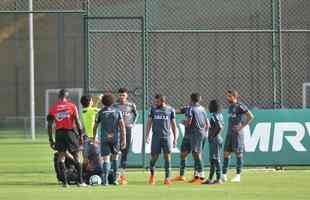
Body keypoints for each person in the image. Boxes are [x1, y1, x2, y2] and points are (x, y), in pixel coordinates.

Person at [47, 89, 87, 187]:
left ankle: (65, 183)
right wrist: (81, 135)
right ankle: (80, 181)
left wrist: (51, 139)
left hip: (59, 133)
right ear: (67, 97)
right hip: (70, 132)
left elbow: (49, 125)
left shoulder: (53, 108)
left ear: (59, 97)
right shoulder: (72, 106)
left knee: (61, 157)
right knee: (77, 155)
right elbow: (77, 121)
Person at [93, 94, 126, 186]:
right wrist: (124, 140)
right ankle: (115, 179)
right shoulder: (117, 111)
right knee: (115, 157)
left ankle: (105, 181)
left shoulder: (100, 112)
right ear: (112, 101)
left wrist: (93, 137)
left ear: (103, 102)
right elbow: (122, 126)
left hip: (104, 138)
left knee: (106, 159)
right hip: (115, 138)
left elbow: (95, 126)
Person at [221, 90, 254, 183]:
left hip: (237, 134)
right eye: (227, 96)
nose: (227, 98)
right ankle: (224, 175)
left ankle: (238, 175)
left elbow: (251, 116)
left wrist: (241, 126)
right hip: (229, 133)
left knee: (238, 153)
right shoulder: (230, 107)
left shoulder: (240, 106)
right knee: (226, 153)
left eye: (229, 96)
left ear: (234, 97)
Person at [146, 94, 177, 185]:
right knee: (154, 158)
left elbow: (173, 124)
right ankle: (152, 176)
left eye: (157, 101)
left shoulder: (170, 110)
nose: (156, 102)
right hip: (156, 137)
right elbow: (149, 122)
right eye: (155, 101)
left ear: (163, 101)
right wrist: (147, 135)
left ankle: (167, 178)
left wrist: (175, 138)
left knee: (167, 157)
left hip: (167, 137)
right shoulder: (153, 109)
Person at [114, 88, 138, 185]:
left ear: (126, 95)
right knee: (115, 152)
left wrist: (133, 124)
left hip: (127, 130)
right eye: (120, 95)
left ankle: (122, 176)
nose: (122, 97)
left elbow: (136, 115)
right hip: (117, 130)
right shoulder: (115, 106)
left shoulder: (131, 105)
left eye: (123, 95)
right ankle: (114, 175)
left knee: (125, 152)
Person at [185, 93, 209, 184]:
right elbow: (207, 122)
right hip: (202, 133)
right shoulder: (202, 108)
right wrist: (205, 132)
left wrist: (185, 123)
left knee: (196, 153)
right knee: (197, 153)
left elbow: (189, 121)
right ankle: (197, 175)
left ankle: (201, 175)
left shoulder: (191, 108)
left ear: (191, 99)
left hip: (195, 133)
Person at [203, 100, 224, 184]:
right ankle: (210, 179)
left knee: (216, 158)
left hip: (215, 139)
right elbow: (222, 126)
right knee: (212, 159)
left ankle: (219, 178)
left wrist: (213, 135)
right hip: (217, 139)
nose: (209, 107)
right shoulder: (220, 115)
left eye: (210, 105)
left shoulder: (214, 116)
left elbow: (220, 127)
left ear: (213, 107)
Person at [80, 95, 100, 170]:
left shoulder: (83, 111)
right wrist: (99, 100)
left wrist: (97, 101)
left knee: (85, 158)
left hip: (85, 137)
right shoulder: (93, 111)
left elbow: (92, 109)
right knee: (98, 156)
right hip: (93, 137)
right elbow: (103, 110)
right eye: (91, 100)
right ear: (89, 102)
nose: (92, 102)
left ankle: (83, 176)